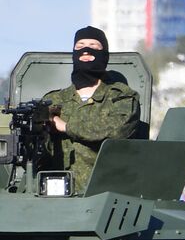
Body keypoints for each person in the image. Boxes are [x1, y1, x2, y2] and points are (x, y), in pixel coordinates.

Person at [42, 26, 142, 192]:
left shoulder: (121, 96)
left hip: (106, 192)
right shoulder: (53, 100)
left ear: (104, 55)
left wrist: (65, 126)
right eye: (80, 47)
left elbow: (117, 131)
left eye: (94, 47)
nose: (86, 51)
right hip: (57, 194)